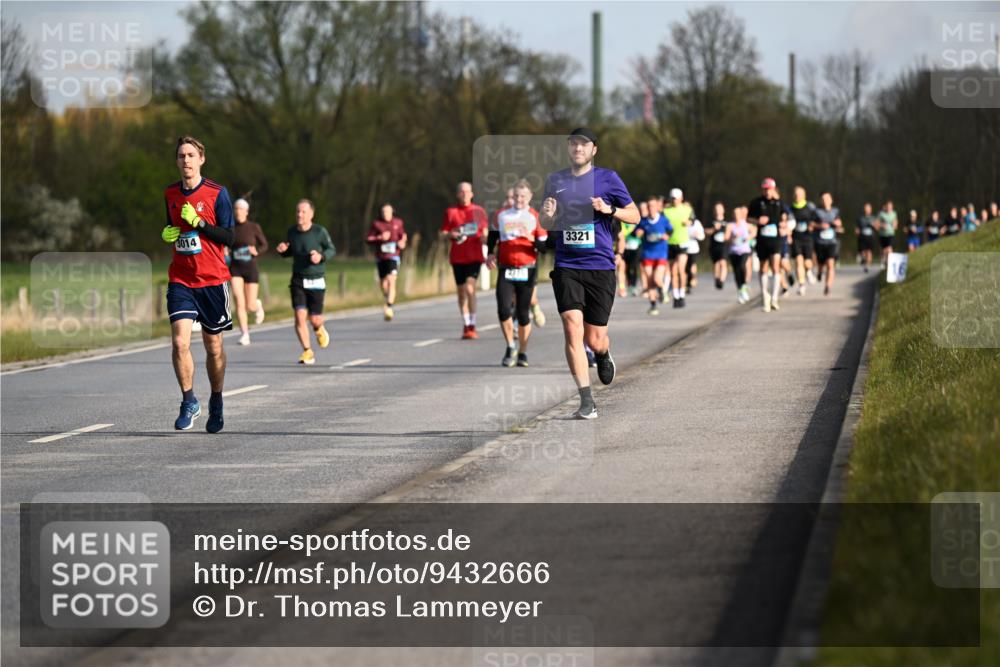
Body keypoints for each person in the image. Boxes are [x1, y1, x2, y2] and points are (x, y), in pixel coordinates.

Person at [540, 127, 639, 419]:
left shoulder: (608, 179)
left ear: (593, 150)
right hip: (568, 265)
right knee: (572, 327)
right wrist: (546, 213)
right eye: (573, 144)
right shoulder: (555, 180)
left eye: (583, 145)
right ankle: (586, 401)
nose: (577, 149)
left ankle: (602, 352)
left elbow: (635, 215)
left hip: (600, 266)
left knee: (595, 339)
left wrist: (609, 209)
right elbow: (547, 222)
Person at [160, 135, 235, 432]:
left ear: (201, 159)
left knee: (213, 346)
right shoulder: (170, 194)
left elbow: (230, 237)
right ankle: (189, 400)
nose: (186, 161)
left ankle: (216, 400)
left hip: (213, 280)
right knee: (180, 341)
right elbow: (173, 227)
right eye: (181, 156)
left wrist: (200, 223)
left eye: (191, 155)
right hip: (181, 278)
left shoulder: (218, 193)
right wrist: (168, 232)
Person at [486, 179, 547, 367]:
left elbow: (544, 247)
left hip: (527, 270)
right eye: (516, 196)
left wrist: (532, 239)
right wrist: (490, 254)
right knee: (504, 309)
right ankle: (510, 345)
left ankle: (523, 351)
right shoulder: (501, 216)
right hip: (506, 269)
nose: (519, 199)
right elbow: (493, 237)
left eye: (523, 196)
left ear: (529, 197)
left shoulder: (536, 217)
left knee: (522, 313)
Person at [276, 199, 336, 365]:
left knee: (315, 318)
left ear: (311, 214)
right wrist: (283, 251)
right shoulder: (292, 232)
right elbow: (290, 252)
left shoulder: (319, 232)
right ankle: (307, 351)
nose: (299, 215)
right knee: (299, 316)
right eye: (297, 212)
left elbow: (331, 249)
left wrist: (321, 257)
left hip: (316, 279)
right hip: (298, 279)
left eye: (303, 212)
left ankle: (318, 328)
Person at [441, 182, 489, 339]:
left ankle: (472, 325)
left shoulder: (479, 211)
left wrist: (486, 240)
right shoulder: (451, 212)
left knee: (470, 288)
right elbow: (442, 233)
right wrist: (450, 235)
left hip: (474, 256)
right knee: (461, 293)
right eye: (461, 192)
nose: (465, 194)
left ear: (472, 194)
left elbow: (485, 233)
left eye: (467, 191)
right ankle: (466, 324)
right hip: (457, 258)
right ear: (457, 195)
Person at [229, 198, 268, 345]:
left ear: (246, 211)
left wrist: (256, 251)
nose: (238, 211)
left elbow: (264, 245)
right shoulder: (230, 227)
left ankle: (257, 305)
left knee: (249, 305)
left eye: (240, 209)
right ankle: (245, 333)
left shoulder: (253, 227)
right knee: (239, 300)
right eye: (236, 209)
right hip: (235, 268)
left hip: (250, 268)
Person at [747, 177, 788, 313]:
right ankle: (765, 295)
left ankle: (775, 297)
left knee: (776, 266)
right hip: (762, 239)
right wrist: (757, 221)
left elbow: (786, 217)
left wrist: (784, 224)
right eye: (765, 189)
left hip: (775, 239)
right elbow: (748, 218)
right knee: (763, 268)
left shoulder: (779, 203)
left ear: (773, 189)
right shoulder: (756, 203)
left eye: (769, 189)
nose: (767, 192)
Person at [366, 203, 407, 321]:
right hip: (381, 257)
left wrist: (402, 242)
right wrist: (379, 238)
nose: (385, 214)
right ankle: (388, 297)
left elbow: (403, 236)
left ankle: (389, 307)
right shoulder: (376, 224)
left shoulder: (398, 223)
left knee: (391, 280)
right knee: (383, 284)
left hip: (393, 256)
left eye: (388, 212)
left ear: (392, 212)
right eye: (383, 212)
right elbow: (368, 239)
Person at [635, 194, 672, 315]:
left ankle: (662, 290)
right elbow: (636, 232)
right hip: (647, 254)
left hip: (661, 253)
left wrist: (667, 235)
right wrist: (638, 233)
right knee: (650, 281)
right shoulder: (643, 221)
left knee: (657, 278)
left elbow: (670, 230)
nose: (651, 208)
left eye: (653, 206)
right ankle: (653, 306)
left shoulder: (663, 220)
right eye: (649, 206)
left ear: (657, 207)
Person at [663, 188, 692, 308]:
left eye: (676, 198)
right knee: (673, 271)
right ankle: (676, 296)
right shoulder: (666, 211)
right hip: (670, 243)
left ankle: (682, 294)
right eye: (673, 198)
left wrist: (689, 223)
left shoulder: (687, 209)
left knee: (681, 269)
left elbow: (693, 220)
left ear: (681, 198)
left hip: (683, 241)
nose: (674, 200)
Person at [790, 186, 819, 293]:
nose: (797, 196)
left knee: (807, 263)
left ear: (804, 195)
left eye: (799, 194)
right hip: (796, 238)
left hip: (807, 238)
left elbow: (816, 220)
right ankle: (801, 285)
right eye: (795, 194)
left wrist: (813, 225)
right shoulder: (791, 209)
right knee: (798, 261)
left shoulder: (810, 207)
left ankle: (809, 271)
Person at [814, 192, 843, 296]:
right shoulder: (817, 211)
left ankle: (828, 286)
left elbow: (839, 222)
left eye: (827, 199)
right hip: (820, 242)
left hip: (832, 242)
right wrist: (820, 226)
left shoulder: (835, 211)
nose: (825, 201)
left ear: (831, 200)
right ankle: (820, 272)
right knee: (821, 264)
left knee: (830, 264)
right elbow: (811, 224)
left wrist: (837, 224)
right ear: (821, 201)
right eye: (823, 199)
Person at [725, 205, 754, 304]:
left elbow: (754, 231)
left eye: (738, 214)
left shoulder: (745, 224)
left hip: (744, 250)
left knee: (742, 267)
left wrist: (749, 237)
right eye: (735, 214)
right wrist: (732, 238)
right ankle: (740, 291)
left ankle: (744, 286)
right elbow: (726, 238)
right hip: (733, 251)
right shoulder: (730, 225)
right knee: (736, 271)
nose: (736, 215)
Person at [620, 204, 643, 297]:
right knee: (625, 267)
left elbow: (640, 231)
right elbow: (621, 233)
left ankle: (633, 285)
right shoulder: (621, 220)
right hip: (624, 247)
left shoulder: (637, 220)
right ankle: (627, 285)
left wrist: (638, 233)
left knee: (633, 267)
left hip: (635, 246)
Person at [707, 202, 728, 289]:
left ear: (723, 210)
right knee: (716, 263)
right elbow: (706, 232)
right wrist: (714, 229)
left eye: (719, 209)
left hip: (724, 245)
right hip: (714, 245)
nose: (718, 211)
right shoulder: (711, 221)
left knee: (723, 262)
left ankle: (721, 280)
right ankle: (716, 279)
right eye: (716, 209)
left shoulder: (727, 222)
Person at [685, 215, 705, 292]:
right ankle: (685, 284)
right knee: (684, 268)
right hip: (682, 248)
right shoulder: (680, 221)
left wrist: (697, 235)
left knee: (692, 265)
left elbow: (702, 236)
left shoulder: (696, 223)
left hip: (693, 249)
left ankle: (692, 279)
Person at [875, 200, 897, 267]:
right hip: (882, 234)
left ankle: (890, 263)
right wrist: (882, 225)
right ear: (885, 206)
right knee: (884, 250)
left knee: (889, 248)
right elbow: (876, 224)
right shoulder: (881, 214)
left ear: (892, 207)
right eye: (888, 206)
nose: (889, 207)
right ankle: (884, 260)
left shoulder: (894, 213)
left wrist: (894, 225)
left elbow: (896, 223)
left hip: (890, 234)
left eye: (890, 206)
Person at [855, 202, 877, 272]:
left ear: (871, 209)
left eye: (868, 208)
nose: (867, 210)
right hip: (862, 237)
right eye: (866, 208)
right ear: (864, 209)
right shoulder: (860, 218)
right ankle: (863, 261)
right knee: (862, 251)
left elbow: (877, 227)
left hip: (870, 237)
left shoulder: (873, 217)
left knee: (869, 251)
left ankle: (867, 266)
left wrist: (874, 225)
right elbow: (857, 228)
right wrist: (857, 232)